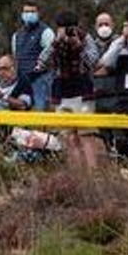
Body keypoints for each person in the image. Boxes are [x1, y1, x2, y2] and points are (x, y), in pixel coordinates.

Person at [45, 11, 103, 169]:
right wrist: (56, 43)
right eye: (63, 29)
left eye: (69, 28)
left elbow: (94, 61)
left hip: (83, 92)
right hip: (61, 94)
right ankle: (77, 176)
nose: (67, 33)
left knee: (86, 135)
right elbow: (44, 63)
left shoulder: (86, 38)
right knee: (69, 137)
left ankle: (93, 174)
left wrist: (79, 46)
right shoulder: (54, 41)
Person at [11, 2, 54, 110]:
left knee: (39, 112)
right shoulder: (16, 35)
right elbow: (15, 58)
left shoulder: (46, 32)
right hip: (22, 81)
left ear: (38, 13)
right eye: (26, 11)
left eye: (32, 11)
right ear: (22, 14)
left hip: (40, 80)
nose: (29, 14)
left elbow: (52, 55)